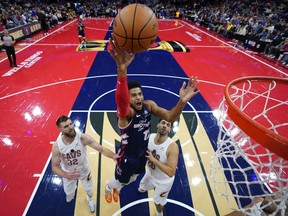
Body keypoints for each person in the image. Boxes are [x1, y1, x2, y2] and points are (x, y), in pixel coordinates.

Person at [104, 33, 199, 203]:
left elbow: (169, 117)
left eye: (140, 94)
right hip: (127, 157)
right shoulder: (126, 115)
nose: (138, 98)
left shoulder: (148, 105)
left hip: (143, 154)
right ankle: (109, 187)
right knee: (122, 181)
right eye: (133, 95)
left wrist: (182, 102)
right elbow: (122, 102)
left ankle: (118, 184)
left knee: (133, 179)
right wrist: (122, 71)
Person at [51, 115, 119, 213]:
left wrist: (113, 155)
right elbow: (54, 167)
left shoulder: (82, 138)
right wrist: (66, 175)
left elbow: (101, 149)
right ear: (60, 129)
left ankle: (90, 200)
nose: (70, 127)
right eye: (66, 126)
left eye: (71, 124)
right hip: (68, 173)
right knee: (69, 194)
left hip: (84, 170)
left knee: (90, 191)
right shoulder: (57, 146)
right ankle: (71, 192)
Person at [138, 119, 179, 216]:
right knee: (142, 185)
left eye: (168, 125)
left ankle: (159, 212)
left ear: (169, 130)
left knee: (158, 202)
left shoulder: (172, 146)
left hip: (163, 181)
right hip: (150, 172)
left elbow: (171, 172)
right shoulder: (150, 137)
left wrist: (154, 160)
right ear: (158, 125)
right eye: (163, 123)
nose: (165, 126)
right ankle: (144, 187)